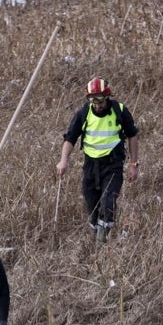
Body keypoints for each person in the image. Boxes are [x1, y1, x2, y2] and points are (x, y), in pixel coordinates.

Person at [56, 77, 140, 242]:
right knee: (92, 206)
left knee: (108, 202)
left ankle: (103, 242)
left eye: (100, 100)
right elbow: (70, 138)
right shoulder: (83, 113)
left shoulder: (120, 110)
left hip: (113, 166)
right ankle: (95, 236)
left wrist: (133, 164)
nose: (97, 104)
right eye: (92, 100)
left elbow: (132, 136)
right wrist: (63, 160)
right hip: (90, 167)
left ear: (107, 96)